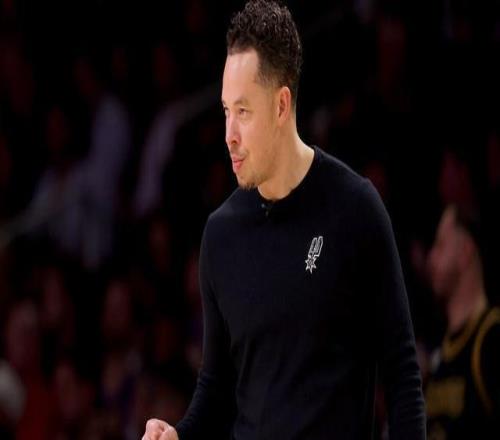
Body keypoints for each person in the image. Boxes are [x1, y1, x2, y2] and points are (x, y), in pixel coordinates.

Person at [142, 1, 425, 439]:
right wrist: (179, 435)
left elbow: (402, 376)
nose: (228, 135)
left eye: (243, 111)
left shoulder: (355, 209)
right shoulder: (220, 235)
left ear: (281, 105)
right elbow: (216, 389)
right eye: (225, 111)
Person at [425, 205, 500, 438]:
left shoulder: (492, 337)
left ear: (466, 251)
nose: (431, 257)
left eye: (441, 245)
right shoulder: (439, 354)